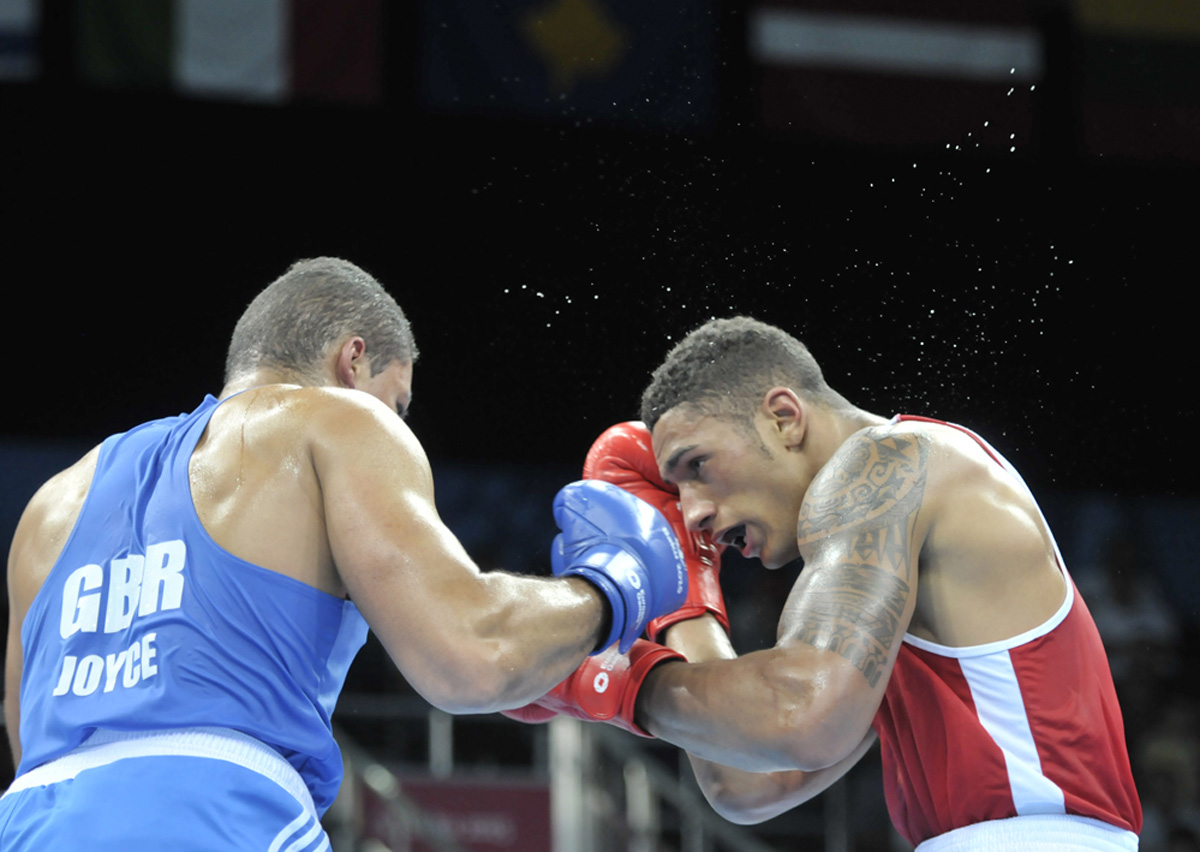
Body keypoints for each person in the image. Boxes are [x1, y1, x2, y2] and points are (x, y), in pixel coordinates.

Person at [0, 257, 686, 850]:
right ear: (352, 360)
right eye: (399, 401)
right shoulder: (335, 420)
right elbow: (473, 655)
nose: (396, 423)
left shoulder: (53, 503)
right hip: (221, 815)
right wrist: (611, 586)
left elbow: (26, 737)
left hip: (30, 821)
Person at [507, 316, 1143, 851]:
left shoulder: (893, 460)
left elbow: (799, 717)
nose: (694, 511)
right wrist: (683, 601)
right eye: (679, 490)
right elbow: (748, 781)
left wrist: (609, 676)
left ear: (784, 417)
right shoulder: (877, 590)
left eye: (698, 465)